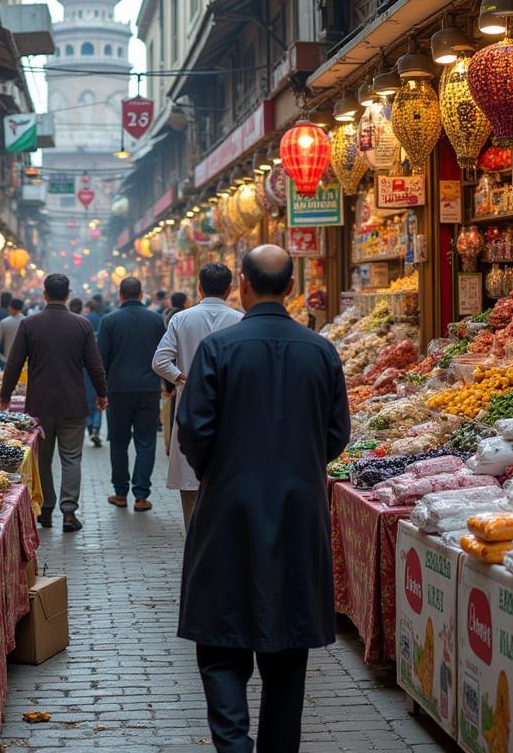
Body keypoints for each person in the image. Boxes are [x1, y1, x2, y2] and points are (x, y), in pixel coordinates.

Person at [176, 245, 351, 753]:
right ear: (291, 287)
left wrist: (223, 471)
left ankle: (233, 746)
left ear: (244, 288)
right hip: (300, 510)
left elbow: (194, 430)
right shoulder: (321, 350)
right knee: (288, 650)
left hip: (228, 509)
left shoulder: (218, 348)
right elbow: (337, 434)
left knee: (221, 645)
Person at [0, 273, 107, 532]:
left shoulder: (29, 323)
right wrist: (102, 393)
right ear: (68, 294)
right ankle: (69, 513)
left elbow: (14, 363)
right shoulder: (81, 325)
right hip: (73, 403)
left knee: (43, 460)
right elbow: (94, 364)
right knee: (71, 458)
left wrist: (5, 395)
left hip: (40, 405)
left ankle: (45, 511)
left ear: (45, 294)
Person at [152, 263, 242, 527]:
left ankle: (195, 549)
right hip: (230, 409)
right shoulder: (240, 320)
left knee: (191, 484)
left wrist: (182, 377)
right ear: (230, 289)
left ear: (200, 287)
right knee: (226, 480)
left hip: (191, 406)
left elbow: (159, 361)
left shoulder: (181, 319)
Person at [97, 277, 166, 512]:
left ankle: (120, 492)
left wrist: (100, 392)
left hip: (118, 389)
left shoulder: (109, 321)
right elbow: (165, 354)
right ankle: (141, 495)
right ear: (141, 293)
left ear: (120, 295)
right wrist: (166, 386)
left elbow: (101, 359)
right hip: (149, 389)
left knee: (118, 442)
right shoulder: (156, 319)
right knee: (146, 442)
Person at [83, 298, 103, 446]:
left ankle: (90, 429)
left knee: (88, 401)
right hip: (98, 369)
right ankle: (95, 428)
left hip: (84, 370)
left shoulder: (83, 322)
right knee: (99, 399)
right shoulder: (103, 320)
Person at [0, 298, 24, 367]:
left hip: (8, 361)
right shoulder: (28, 322)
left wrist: (1, 358)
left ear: (10, 307)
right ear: (22, 309)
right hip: (24, 363)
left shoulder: (4, 322)